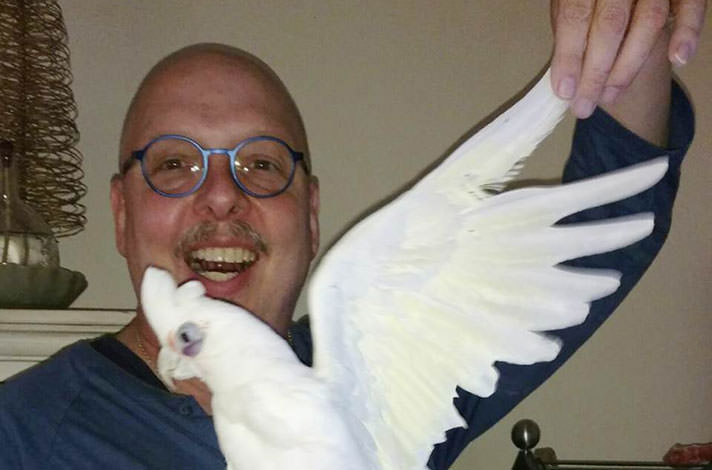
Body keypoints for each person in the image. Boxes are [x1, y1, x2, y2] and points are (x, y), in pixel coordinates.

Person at [0, 1, 705, 469]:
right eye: (175, 164)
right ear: (122, 216)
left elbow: (609, 225)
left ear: (310, 218)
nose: (222, 195)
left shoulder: (373, 374)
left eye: (262, 164)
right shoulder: (21, 432)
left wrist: (623, 41)